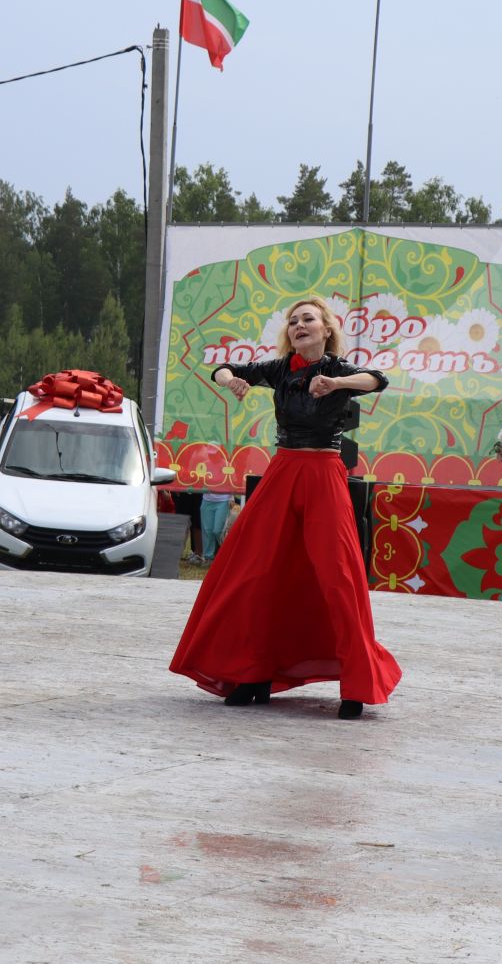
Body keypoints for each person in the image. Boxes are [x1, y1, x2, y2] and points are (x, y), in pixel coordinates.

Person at [168, 297, 401, 719]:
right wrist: (229, 381)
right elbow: (222, 368)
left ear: (326, 328)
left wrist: (336, 385)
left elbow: (377, 380)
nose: (299, 326)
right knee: (254, 570)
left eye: (307, 319)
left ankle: (356, 685)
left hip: (324, 475)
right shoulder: (280, 369)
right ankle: (252, 674)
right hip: (283, 472)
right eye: (292, 321)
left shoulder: (339, 369)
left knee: (337, 575)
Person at [200, 487, 238, 562]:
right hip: (206, 500)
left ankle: (229, 555)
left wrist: (231, 497)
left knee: (219, 531)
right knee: (207, 530)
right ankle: (208, 558)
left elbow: (232, 478)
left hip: (224, 500)